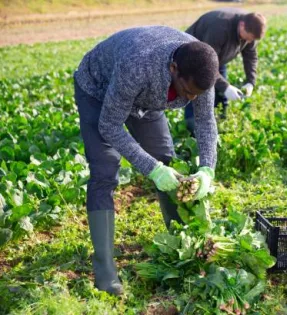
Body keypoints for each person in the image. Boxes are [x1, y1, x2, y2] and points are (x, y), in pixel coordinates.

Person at [73, 25, 219, 296]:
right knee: (105, 170)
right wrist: (151, 169)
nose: (191, 98)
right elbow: (110, 125)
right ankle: (104, 268)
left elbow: (205, 122)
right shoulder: (138, 65)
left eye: (197, 93)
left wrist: (207, 169)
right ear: (174, 68)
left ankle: (183, 245)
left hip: (146, 99)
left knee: (164, 156)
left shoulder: (201, 69)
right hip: (98, 90)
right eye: (188, 91)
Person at [184, 8, 267, 135]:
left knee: (221, 97)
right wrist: (226, 87)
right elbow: (206, 65)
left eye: (252, 40)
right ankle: (192, 132)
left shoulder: (250, 30)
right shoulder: (219, 28)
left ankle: (219, 126)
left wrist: (251, 82)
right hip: (194, 57)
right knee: (197, 92)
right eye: (248, 38)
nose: (249, 42)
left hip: (217, 57)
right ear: (242, 25)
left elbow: (250, 56)